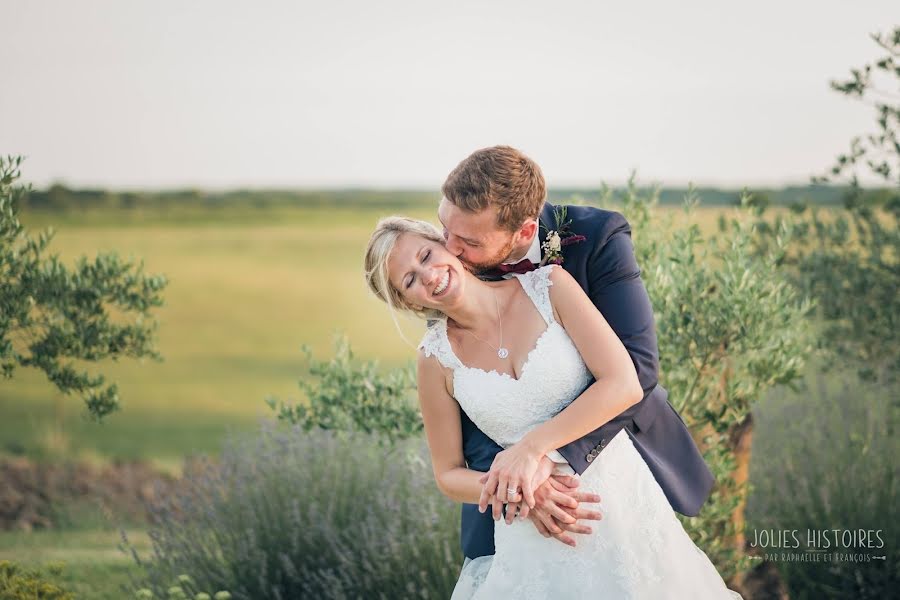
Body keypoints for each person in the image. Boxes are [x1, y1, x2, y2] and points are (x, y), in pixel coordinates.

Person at [364, 215, 741, 597]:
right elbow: (447, 475)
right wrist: (519, 492)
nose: (427, 275)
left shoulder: (550, 287)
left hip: (620, 502)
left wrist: (534, 450)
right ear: (405, 300)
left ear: (449, 244)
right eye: (409, 279)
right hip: (532, 533)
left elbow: (624, 383)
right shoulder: (434, 360)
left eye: (426, 255)